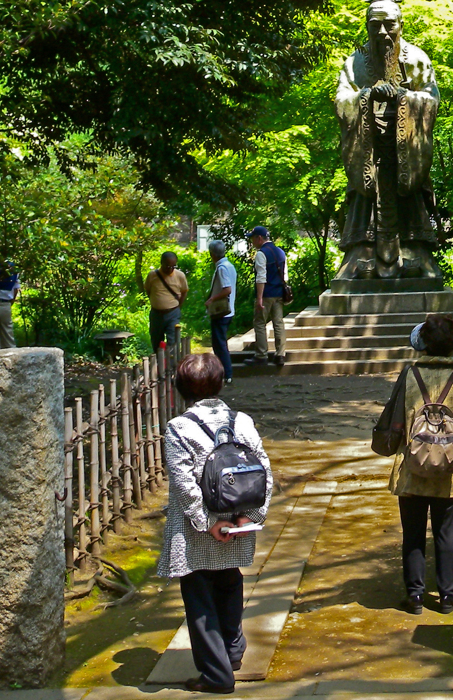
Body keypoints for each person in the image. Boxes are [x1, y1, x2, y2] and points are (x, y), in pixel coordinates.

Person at [157, 353, 272, 694]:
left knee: (199, 595)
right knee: (228, 580)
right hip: (236, 520)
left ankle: (216, 675)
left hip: (197, 530)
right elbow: (264, 470)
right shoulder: (242, 421)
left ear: (180, 388)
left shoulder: (179, 428)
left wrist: (207, 522)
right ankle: (233, 652)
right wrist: (247, 517)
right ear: (220, 384)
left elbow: (183, 483)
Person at [373, 314, 453, 614]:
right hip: (450, 468)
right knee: (446, 531)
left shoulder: (409, 375)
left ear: (424, 343)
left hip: (413, 463)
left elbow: (394, 420)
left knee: (414, 531)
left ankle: (415, 596)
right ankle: (447, 596)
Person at [333, 0, 442, 281]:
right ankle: (361, 255)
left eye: (389, 24)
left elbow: (431, 98)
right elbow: (342, 100)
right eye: (375, 24)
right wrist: (366, 96)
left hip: (404, 149)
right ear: (367, 26)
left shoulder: (417, 58)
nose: (382, 31)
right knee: (364, 202)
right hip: (370, 151)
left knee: (410, 201)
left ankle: (416, 253)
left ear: (400, 24)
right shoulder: (354, 63)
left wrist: (404, 97)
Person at [245, 226, 286, 367]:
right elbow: (284, 275)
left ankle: (261, 355)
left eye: (252, 238)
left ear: (259, 238)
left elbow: (261, 277)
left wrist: (259, 298)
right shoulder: (280, 252)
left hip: (267, 294)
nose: (252, 242)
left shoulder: (262, 254)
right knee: (278, 323)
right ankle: (280, 354)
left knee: (260, 323)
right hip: (279, 293)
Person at [137, 251, 188, 349]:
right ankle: (159, 361)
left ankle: (172, 362)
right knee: (156, 340)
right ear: (162, 263)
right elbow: (148, 290)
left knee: (173, 341)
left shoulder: (180, 276)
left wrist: (178, 306)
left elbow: (184, 292)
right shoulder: (152, 275)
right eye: (168, 266)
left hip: (173, 313)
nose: (171, 269)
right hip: (156, 314)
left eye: (173, 266)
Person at [205, 240, 237, 384]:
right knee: (220, 342)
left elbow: (227, 289)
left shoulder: (223, 268)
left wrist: (212, 299)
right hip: (228, 310)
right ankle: (224, 372)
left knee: (219, 344)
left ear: (212, 254)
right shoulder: (229, 265)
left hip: (222, 311)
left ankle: (226, 374)